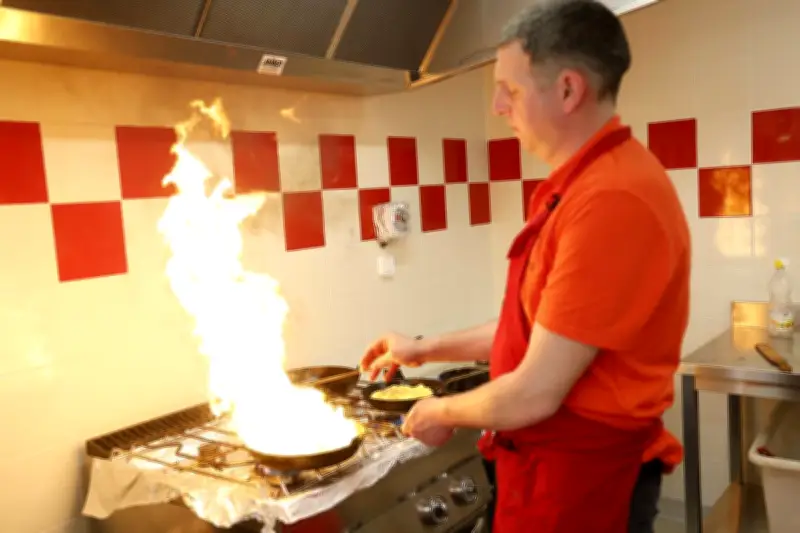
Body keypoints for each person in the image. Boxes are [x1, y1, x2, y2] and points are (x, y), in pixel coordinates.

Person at [360, 1, 690, 532]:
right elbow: (543, 330)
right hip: (549, 472)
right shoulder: (582, 185)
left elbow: (536, 390)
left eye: (509, 90)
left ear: (568, 89)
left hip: (581, 483)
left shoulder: (611, 199)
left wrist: (440, 410)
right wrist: (423, 349)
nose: (497, 106)